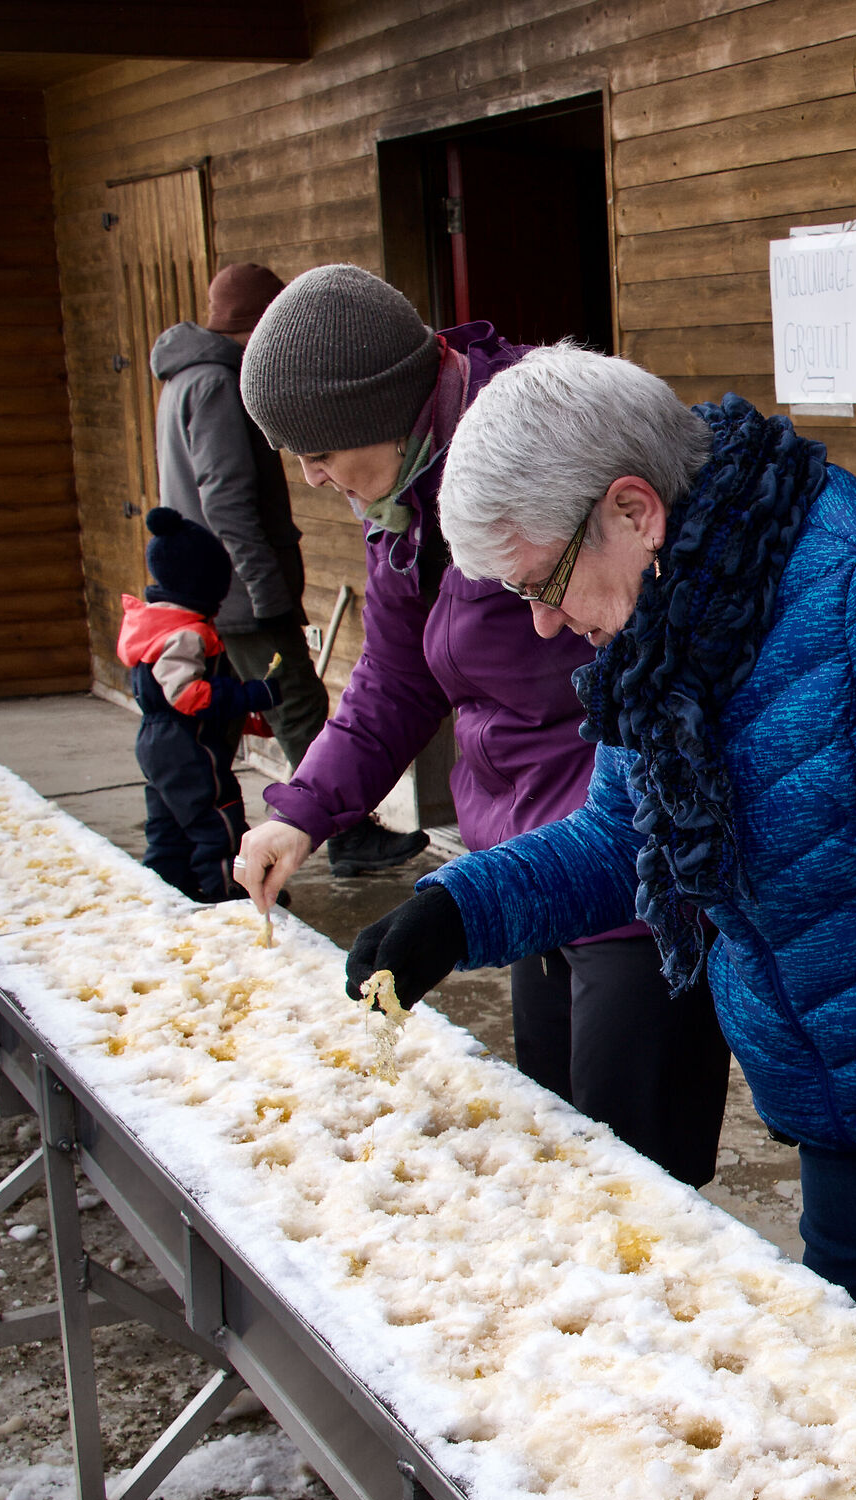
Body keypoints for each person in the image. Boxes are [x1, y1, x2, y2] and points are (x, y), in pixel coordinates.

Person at [337, 345, 856, 1476]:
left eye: (541, 584)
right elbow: (623, 837)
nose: (538, 625)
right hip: (832, 1088)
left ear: (634, 510)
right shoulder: (667, 633)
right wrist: (453, 914)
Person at [230, 266, 730, 1188]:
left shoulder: (535, 453)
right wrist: (303, 810)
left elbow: (661, 628)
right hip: (522, 868)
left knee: (636, 1177)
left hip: (623, 862)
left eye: (320, 449)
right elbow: (395, 675)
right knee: (558, 1148)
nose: (310, 474)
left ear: (379, 408)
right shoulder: (401, 500)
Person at [149, 264, 366, 844]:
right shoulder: (219, 383)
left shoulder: (181, 380)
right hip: (239, 584)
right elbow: (226, 496)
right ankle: (347, 839)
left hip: (210, 584)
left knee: (209, 730)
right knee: (296, 704)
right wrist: (266, 589)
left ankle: (198, 850)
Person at [118, 508, 281, 904]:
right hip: (186, 747)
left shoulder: (155, 625)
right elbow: (187, 697)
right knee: (217, 816)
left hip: (158, 743)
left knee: (169, 821)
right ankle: (231, 892)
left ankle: (168, 886)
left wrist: (248, 720)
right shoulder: (186, 633)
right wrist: (249, 696)